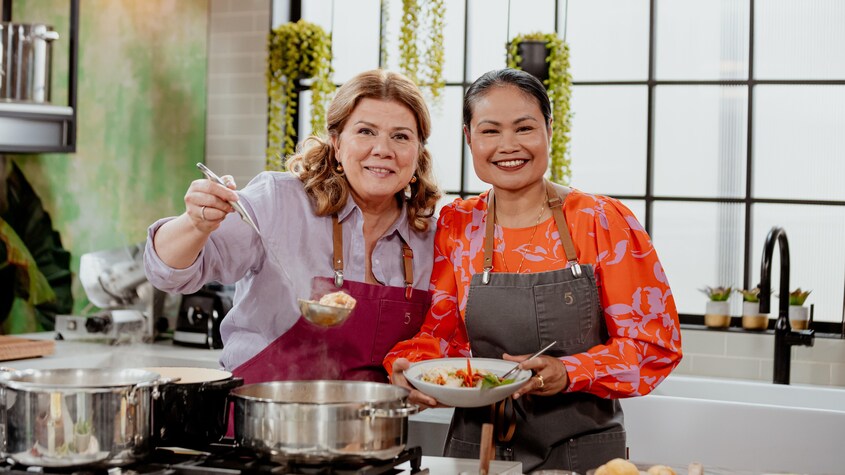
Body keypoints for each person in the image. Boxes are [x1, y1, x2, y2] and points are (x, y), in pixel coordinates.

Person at [385, 68, 682, 473]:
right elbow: (441, 335)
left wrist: (568, 371)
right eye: (490, 131)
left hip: (582, 452)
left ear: (549, 130)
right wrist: (407, 365)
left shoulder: (601, 221)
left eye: (524, 128)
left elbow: (654, 344)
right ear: (469, 138)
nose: (509, 146)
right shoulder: (458, 224)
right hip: (478, 447)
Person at [145, 69, 441, 385]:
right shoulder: (278, 201)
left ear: (418, 153)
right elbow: (169, 273)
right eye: (366, 131)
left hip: (369, 427)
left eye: (400, 136)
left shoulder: (429, 238)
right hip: (262, 419)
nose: (383, 149)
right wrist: (195, 223)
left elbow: (438, 342)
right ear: (337, 145)